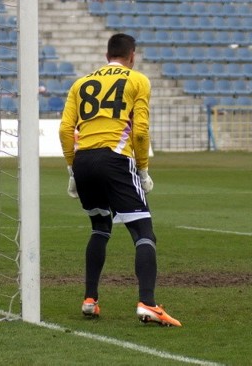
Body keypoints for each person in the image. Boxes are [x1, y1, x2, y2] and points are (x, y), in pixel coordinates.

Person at [58, 33, 181, 327]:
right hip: (115, 158)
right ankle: (148, 304)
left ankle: (90, 300)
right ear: (132, 55)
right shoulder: (138, 80)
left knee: (100, 227)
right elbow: (139, 132)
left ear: (106, 55)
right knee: (144, 232)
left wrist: (73, 170)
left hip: (84, 159)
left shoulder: (80, 83)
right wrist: (143, 168)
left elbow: (65, 130)